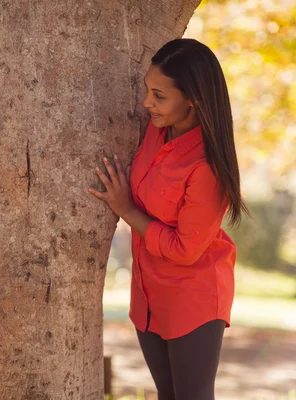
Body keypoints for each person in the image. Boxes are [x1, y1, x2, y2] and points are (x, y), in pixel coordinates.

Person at [89, 38, 248, 400]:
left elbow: (186, 249)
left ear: (192, 99)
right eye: (147, 89)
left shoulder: (206, 166)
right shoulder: (155, 132)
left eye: (159, 96)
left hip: (194, 298)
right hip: (148, 296)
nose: (147, 102)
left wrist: (126, 209)